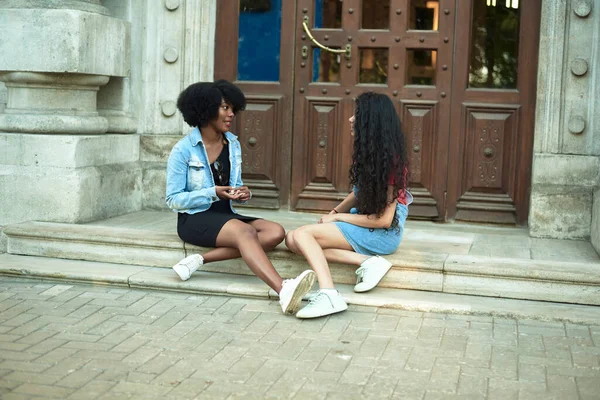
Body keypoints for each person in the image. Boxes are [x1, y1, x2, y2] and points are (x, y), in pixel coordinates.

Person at [166, 80, 315, 315]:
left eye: (232, 108)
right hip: (194, 219)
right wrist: (212, 192)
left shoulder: (232, 144)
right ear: (205, 110)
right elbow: (173, 199)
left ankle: (200, 260)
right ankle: (283, 289)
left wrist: (242, 193)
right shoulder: (183, 150)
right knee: (246, 233)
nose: (231, 114)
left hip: (226, 217)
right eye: (225, 108)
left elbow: (233, 187)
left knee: (275, 232)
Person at [285, 92, 412, 319]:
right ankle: (368, 262)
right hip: (366, 224)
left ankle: (329, 294)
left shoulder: (391, 161)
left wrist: (338, 218)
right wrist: (334, 211)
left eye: (357, 114)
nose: (351, 119)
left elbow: (383, 220)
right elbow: (358, 193)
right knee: (292, 239)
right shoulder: (370, 154)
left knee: (304, 235)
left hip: (383, 233)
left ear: (371, 121)